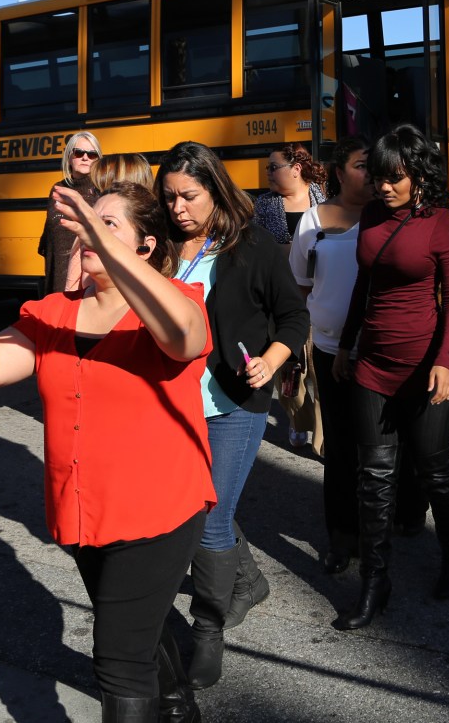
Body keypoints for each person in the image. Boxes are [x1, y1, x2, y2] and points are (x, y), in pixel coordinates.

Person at [0, 181, 212, 722]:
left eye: (108, 223)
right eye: (88, 223)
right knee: (138, 621)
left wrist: (103, 239)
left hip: (158, 511)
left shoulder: (177, 303)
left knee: (118, 658)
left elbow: (184, 339)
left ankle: (169, 703)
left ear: (146, 247)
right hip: (84, 509)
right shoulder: (53, 312)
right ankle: (179, 705)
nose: (90, 232)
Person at [155, 141, 310, 689]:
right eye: (169, 197)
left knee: (210, 516)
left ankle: (207, 630)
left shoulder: (252, 246)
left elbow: (293, 316)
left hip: (232, 404)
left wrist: (271, 359)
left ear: (216, 191)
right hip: (170, 405)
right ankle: (247, 579)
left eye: (190, 197)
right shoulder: (161, 248)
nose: (178, 209)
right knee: (195, 505)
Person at [333, 123, 449, 630]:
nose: (383, 186)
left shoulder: (441, 222)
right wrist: (347, 344)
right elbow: (362, 286)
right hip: (373, 365)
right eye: (378, 176)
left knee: (434, 471)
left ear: (418, 174)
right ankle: (375, 582)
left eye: (395, 177)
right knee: (374, 478)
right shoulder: (370, 215)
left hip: (429, 366)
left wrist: (445, 359)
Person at [287, 137, 370, 573]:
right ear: (339, 171)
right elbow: (301, 283)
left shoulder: (387, 215)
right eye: (361, 165)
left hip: (380, 353)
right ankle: (341, 538)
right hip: (329, 350)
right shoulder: (312, 221)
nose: (372, 174)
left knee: (376, 446)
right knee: (339, 449)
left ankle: (379, 532)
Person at [252, 143, 327, 451]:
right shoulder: (265, 205)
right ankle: (299, 419)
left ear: (296, 169)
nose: (267, 173)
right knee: (290, 370)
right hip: (280, 301)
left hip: (320, 299)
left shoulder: (324, 200)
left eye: (273, 167)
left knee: (321, 370)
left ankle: (323, 437)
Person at [39, 131, 102, 293]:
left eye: (92, 154)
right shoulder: (57, 190)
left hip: (87, 287)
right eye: (79, 153)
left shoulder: (102, 192)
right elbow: (48, 242)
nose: (85, 158)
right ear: (69, 157)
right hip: (55, 282)